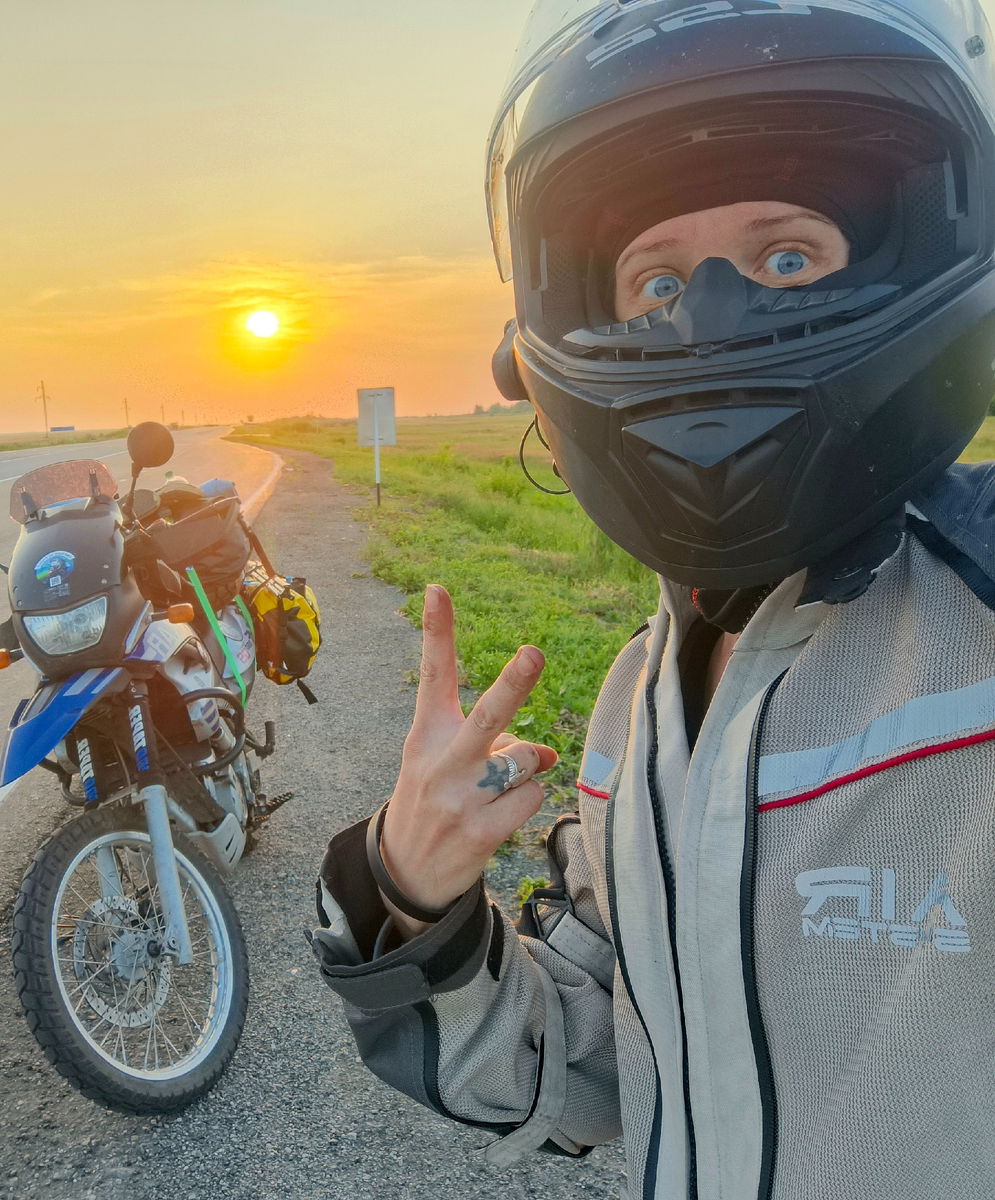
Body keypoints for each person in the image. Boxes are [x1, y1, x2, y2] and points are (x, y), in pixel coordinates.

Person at [309, 2, 995, 1197]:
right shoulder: (638, 706)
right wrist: (410, 902)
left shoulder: (975, 634)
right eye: (658, 281)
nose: (711, 315)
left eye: (789, 259)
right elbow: (595, 1075)